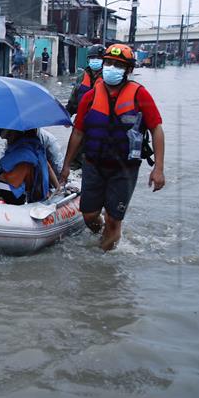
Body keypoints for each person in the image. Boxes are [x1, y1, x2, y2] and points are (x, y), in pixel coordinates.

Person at [59, 43, 166, 252]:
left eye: (118, 65)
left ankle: (103, 264)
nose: (111, 67)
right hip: (93, 164)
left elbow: (156, 129)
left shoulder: (139, 95)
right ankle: (104, 234)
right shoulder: (90, 97)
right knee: (89, 215)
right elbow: (78, 132)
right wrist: (66, 166)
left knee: (113, 220)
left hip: (124, 168)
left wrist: (158, 168)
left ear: (128, 70)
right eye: (109, 63)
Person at [0, 129, 59, 204]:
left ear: (14, 135)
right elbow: (48, 168)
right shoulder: (36, 148)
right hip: (35, 192)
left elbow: (7, 177)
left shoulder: (21, 154)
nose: (7, 141)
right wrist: (57, 187)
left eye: (8, 137)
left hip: (19, 194)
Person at [66, 44, 105, 116]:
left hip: (100, 119)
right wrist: (68, 113)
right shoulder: (81, 77)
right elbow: (74, 98)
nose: (95, 60)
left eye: (99, 58)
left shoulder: (108, 78)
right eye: (92, 57)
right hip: (82, 118)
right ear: (88, 60)